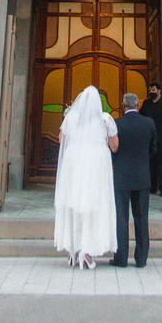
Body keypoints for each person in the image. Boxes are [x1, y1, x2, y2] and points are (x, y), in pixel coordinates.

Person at [53, 85, 119, 269]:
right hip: (96, 167)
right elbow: (114, 145)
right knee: (92, 206)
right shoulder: (105, 119)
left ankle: (71, 252)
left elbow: (61, 139)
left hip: (73, 165)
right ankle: (87, 252)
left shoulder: (71, 118)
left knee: (73, 204)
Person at [109, 91, 157, 268]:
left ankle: (121, 258)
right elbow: (153, 148)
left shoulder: (117, 124)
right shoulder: (149, 123)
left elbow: (112, 149)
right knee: (141, 217)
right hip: (142, 176)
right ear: (137, 105)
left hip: (121, 176)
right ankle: (142, 259)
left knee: (121, 217)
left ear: (123, 105)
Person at [139, 81, 162, 196]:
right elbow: (141, 118)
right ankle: (152, 187)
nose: (151, 92)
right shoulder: (146, 104)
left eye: (153, 89)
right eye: (150, 90)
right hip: (149, 140)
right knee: (150, 164)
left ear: (160, 91)